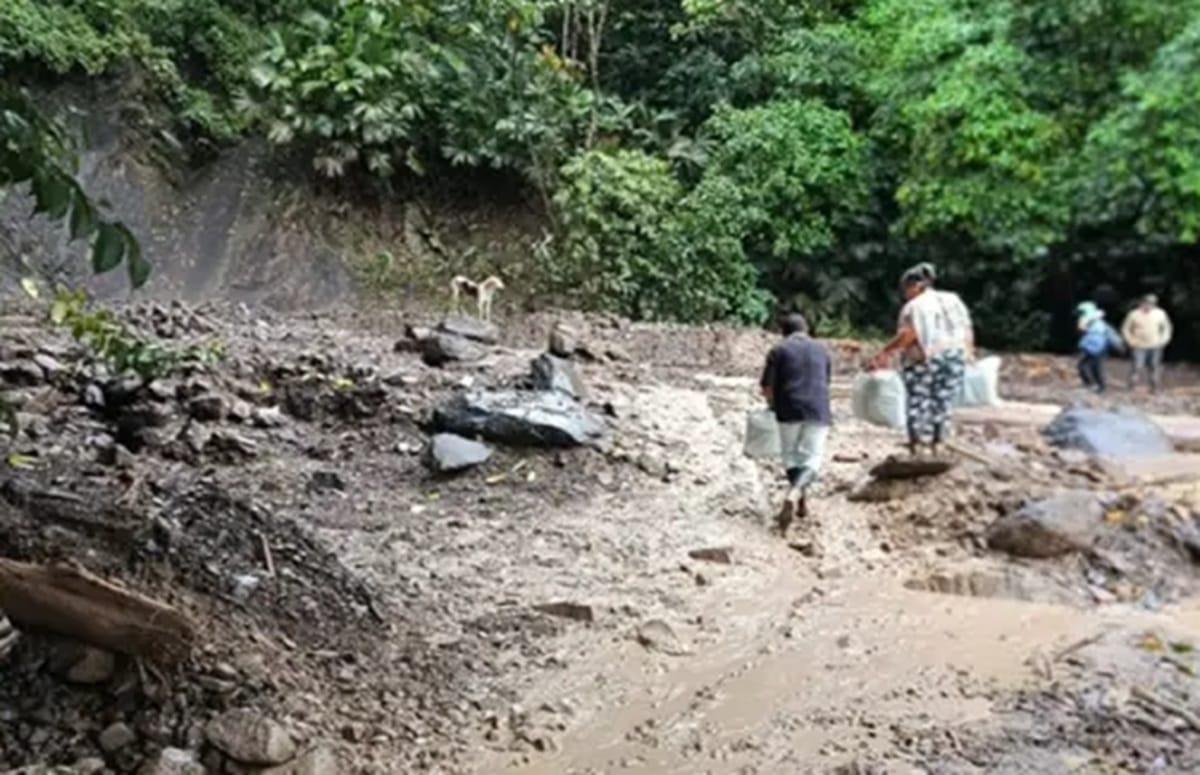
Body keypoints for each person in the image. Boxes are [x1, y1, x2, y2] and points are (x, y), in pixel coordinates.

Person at [868, 262, 973, 457]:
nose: (905, 294)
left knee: (919, 400)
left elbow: (909, 334)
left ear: (914, 286)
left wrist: (886, 351)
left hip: (925, 360)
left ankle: (917, 445)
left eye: (905, 290)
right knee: (943, 400)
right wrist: (968, 354)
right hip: (955, 357)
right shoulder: (953, 300)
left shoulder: (914, 306)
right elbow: (966, 329)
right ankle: (938, 442)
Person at [760, 312, 832, 534]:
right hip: (818, 410)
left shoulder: (778, 350)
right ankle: (797, 494)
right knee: (812, 457)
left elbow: (766, 387)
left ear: (784, 332)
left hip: (788, 409)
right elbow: (826, 381)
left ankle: (796, 494)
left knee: (791, 455)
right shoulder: (822, 350)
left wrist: (772, 404)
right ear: (807, 330)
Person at [1121, 293, 1172, 393]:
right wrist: (1130, 341)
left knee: (1154, 366)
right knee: (1137, 366)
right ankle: (1132, 386)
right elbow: (1125, 328)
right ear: (1142, 303)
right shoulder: (1134, 314)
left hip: (1155, 345)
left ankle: (1154, 387)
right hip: (1138, 345)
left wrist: (1164, 340)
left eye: (1151, 303)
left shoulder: (1160, 314)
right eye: (1147, 303)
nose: (1149, 305)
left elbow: (1167, 328)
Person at [1076, 301, 1124, 393]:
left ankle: (1101, 387)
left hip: (1098, 348)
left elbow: (1107, 335)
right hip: (1089, 347)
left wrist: (1118, 345)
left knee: (1096, 368)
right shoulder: (1089, 320)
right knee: (1083, 366)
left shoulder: (1097, 323)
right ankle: (1091, 384)